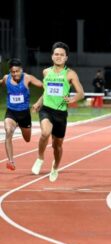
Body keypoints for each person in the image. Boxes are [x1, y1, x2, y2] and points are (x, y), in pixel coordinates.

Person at [31, 42, 85, 182]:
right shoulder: (46, 72)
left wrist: (72, 99)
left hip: (60, 113)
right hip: (47, 110)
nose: (59, 57)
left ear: (66, 57)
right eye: (56, 54)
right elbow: (46, 92)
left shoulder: (70, 74)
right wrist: (38, 103)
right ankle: (40, 158)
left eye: (61, 55)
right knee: (45, 133)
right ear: (52, 56)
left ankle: (55, 167)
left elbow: (81, 93)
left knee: (57, 145)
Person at [0, 58, 43, 171]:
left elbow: (44, 86)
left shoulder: (27, 78)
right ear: (10, 72)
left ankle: (22, 126)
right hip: (11, 113)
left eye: (17, 71)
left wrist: (39, 102)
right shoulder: (6, 78)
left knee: (27, 139)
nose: (15, 74)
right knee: (8, 132)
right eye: (13, 72)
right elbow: (1, 83)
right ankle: (11, 161)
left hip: (24, 115)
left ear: (21, 70)